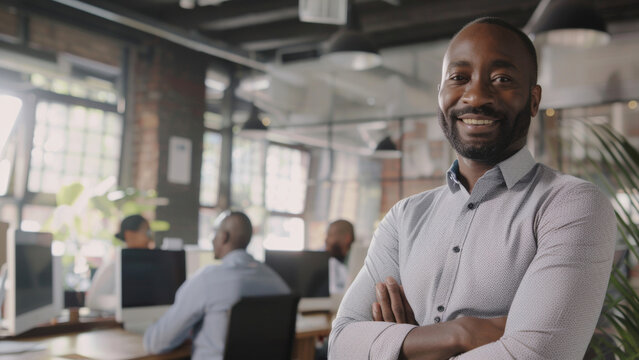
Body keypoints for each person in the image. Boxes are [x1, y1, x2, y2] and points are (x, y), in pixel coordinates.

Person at [329, 17, 616, 360]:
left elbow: (536, 356)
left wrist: (403, 344)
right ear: (440, 94)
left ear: (533, 100)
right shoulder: (403, 218)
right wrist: (460, 334)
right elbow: (342, 344)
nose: (476, 95)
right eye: (459, 78)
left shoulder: (571, 205)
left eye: (502, 79)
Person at [143, 211, 290, 359]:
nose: (212, 239)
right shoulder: (277, 281)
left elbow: (157, 343)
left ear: (224, 237)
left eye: (214, 233)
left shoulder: (207, 280)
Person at [85, 214, 154, 310]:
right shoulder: (113, 266)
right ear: (129, 235)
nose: (150, 239)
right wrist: (125, 301)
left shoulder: (150, 267)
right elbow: (92, 301)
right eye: (147, 232)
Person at [325, 219, 355, 295]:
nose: (326, 240)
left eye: (331, 235)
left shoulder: (359, 263)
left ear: (347, 238)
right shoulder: (333, 261)